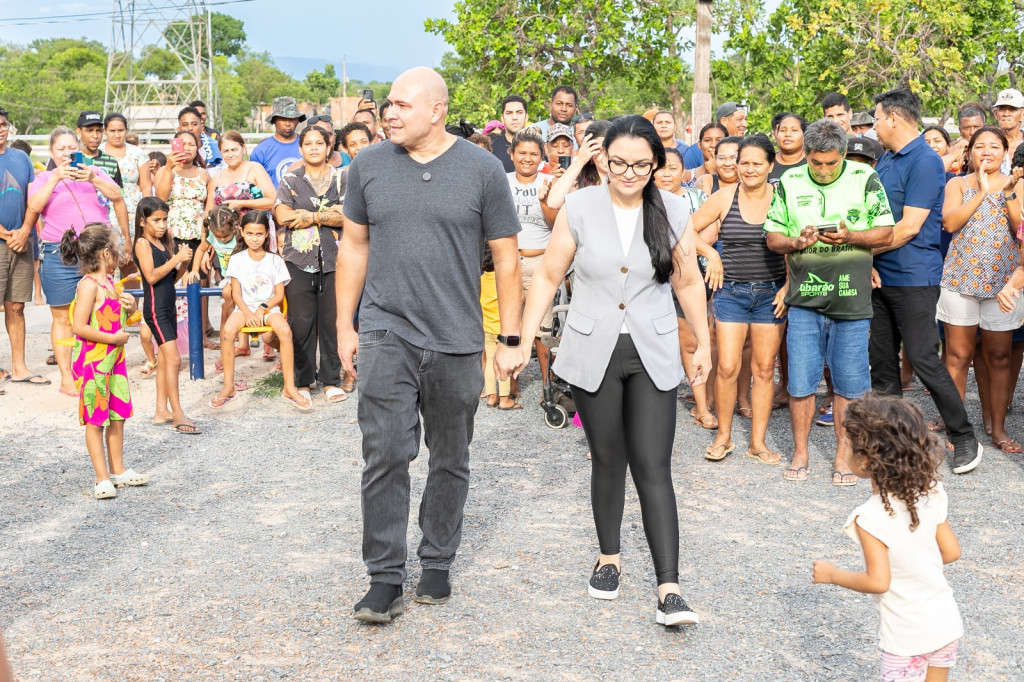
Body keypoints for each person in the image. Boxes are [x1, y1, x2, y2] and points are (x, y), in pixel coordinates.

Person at [336, 67, 523, 623]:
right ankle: (385, 579)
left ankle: (437, 561)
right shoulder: (366, 165)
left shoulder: (484, 169)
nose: (388, 113)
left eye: (400, 105)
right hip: (385, 331)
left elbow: (508, 258)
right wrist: (346, 326)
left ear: (437, 110)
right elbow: (353, 248)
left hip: (457, 338)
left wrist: (510, 338)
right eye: (387, 104)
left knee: (450, 456)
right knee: (386, 452)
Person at [518, 115, 711, 627]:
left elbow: (689, 283)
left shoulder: (672, 207)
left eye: (641, 164)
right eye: (619, 162)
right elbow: (549, 276)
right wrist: (518, 338)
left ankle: (669, 588)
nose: (629, 173)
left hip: (653, 350)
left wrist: (704, 345)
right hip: (592, 349)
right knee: (608, 459)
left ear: (657, 164)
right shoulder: (579, 206)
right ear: (604, 160)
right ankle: (609, 558)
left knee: (653, 465)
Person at [764, 119, 895, 484]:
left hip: (851, 299)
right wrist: (796, 242)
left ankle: (843, 454)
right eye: (815, 163)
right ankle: (801, 452)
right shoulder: (789, 181)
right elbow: (773, 237)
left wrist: (851, 235)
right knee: (801, 382)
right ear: (805, 154)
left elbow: (887, 230)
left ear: (843, 155)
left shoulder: (864, 178)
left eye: (830, 163)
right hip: (804, 299)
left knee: (850, 384)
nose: (822, 170)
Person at [870, 88, 984, 475]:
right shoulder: (885, 160)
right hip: (877, 276)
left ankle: (964, 436)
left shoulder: (924, 161)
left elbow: (909, 228)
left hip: (913, 276)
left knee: (921, 357)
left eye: (876, 118)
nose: (873, 126)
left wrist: (860, 252)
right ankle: (892, 446)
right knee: (882, 364)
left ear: (894, 119)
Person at [812, 395, 964, 682]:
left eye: (847, 444)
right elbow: (952, 551)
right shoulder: (931, 493)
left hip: (907, 635)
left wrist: (833, 575)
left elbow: (878, 581)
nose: (844, 449)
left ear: (866, 460)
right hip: (945, 622)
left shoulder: (870, 517)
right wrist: (917, 564)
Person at [692, 136, 787, 464]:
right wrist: (710, 254)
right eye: (743, 162)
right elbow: (685, 231)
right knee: (729, 366)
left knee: (763, 368)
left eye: (756, 163)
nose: (748, 169)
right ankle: (724, 437)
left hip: (771, 293)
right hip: (730, 292)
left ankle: (757, 443)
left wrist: (789, 285)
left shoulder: (782, 198)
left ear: (770, 166)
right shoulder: (723, 197)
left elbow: (795, 244)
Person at [938, 126, 1024, 454]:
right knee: (958, 356)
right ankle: (958, 429)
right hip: (960, 282)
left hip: (1004, 285)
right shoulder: (957, 183)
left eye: (994, 146)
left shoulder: (1017, 185)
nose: (986, 151)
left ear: (1005, 153)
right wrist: (982, 192)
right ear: (969, 152)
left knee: (999, 357)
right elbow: (950, 223)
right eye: (979, 146)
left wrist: (1008, 192)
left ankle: (998, 429)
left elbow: (1021, 230)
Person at [27, 127, 129, 396]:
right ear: (51, 152)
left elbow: (117, 195)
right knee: (62, 317)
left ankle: (98, 367)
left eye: (71, 148)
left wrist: (93, 177)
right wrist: (56, 177)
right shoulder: (44, 178)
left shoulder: (94, 172)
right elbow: (35, 206)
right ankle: (66, 377)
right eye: (60, 149)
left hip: (96, 252)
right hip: (58, 253)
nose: (66, 153)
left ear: (78, 148)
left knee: (101, 309)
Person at [62, 223, 148, 499]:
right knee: (95, 420)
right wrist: (113, 340)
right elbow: (78, 326)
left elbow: (122, 319)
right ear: (104, 253)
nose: (119, 251)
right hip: (94, 363)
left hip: (114, 362)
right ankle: (101, 477)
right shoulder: (88, 286)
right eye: (115, 246)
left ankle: (118, 469)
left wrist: (131, 307)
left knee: (118, 415)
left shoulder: (110, 282)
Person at [274, 126, 348, 402]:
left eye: (320, 143)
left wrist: (309, 216)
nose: (315, 148)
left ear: (329, 147)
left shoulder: (342, 178)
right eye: (309, 143)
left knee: (331, 320)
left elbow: (348, 215)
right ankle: (304, 380)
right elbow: (283, 215)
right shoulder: (290, 179)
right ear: (301, 148)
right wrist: (328, 213)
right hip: (298, 258)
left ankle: (331, 379)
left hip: (336, 259)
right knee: (302, 322)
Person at [209, 210, 310, 411]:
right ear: (242, 232)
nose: (254, 239)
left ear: (266, 235)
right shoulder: (237, 259)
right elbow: (236, 294)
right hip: (244, 308)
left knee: (285, 332)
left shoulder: (275, 261)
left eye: (259, 234)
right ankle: (228, 388)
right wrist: (247, 313)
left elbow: (279, 295)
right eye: (249, 234)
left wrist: (262, 310)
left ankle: (289, 387)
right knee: (228, 332)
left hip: (268, 308)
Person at [133, 196, 199, 434]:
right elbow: (150, 276)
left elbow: (170, 279)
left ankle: (162, 411)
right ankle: (178, 413)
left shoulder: (163, 243)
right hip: (156, 310)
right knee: (174, 360)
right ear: (142, 221)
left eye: (165, 220)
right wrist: (176, 259)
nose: (162, 225)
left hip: (168, 307)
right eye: (156, 220)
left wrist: (183, 263)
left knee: (164, 361)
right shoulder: (142, 244)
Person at [507, 128, 557, 404]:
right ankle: (510, 384)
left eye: (534, 154)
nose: (527, 158)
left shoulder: (550, 182)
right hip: (509, 263)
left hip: (541, 263)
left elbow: (556, 225)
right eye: (522, 153)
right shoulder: (500, 181)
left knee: (543, 328)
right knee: (511, 323)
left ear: (542, 157)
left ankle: (546, 386)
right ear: (512, 154)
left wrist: (545, 199)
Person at [0, 106, 47, 388]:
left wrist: (26, 230)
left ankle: (19, 367)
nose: (0, 129)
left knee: (16, 306)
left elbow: (35, 198)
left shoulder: (21, 158)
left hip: (22, 240)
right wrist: (7, 236)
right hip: (5, 240)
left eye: (3, 124)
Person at [155, 130, 215, 280]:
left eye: (191, 144)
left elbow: (209, 210)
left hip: (197, 236)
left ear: (197, 148)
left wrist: (206, 241)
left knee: (198, 281)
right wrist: (169, 168)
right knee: (172, 282)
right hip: (169, 237)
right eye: (183, 144)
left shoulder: (204, 174)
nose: (187, 148)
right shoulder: (164, 170)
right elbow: (160, 200)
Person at [102, 113, 153, 239]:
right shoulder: (99, 152)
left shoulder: (137, 153)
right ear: (105, 131)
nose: (117, 135)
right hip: (105, 209)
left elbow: (146, 186)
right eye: (112, 131)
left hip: (134, 211)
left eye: (121, 130)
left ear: (127, 130)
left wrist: (146, 213)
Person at [212, 130, 276, 216]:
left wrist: (242, 204)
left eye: (234, 150)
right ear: (220, 153)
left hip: (254, 227)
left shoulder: (254, 169)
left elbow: (272, 201)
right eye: (226, 151)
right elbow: (209, 212)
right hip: (225, 228)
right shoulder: (217, 178)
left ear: (243, 148)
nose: (230, 155)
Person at [251, 97, 305, 189]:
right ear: (274, 120)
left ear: (297, 120)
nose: (287, 123)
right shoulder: (261, 151)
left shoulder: (307, 146)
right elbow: (254, 184)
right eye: (283, 119)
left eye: (291, 119)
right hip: (272, 202)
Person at [491, 95, 528, 172]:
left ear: (526, 117)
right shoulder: (491, 149)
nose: (514, 117)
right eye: (509, 113)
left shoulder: (539, 148)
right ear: (502, 118)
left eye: (519, 112)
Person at [769, 113, 807, 183]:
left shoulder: (813, 163)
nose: (788, 134)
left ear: (804, 134)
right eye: (783, 130)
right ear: (775, 135)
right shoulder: (767, 162)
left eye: (794, 130)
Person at [993, 88, 1024, 173]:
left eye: (1012, 109)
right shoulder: (988, 141)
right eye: (1002, 109)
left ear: (1022, 114)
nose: (1006, 114)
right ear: (996, 113)